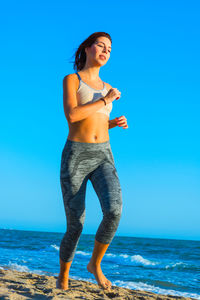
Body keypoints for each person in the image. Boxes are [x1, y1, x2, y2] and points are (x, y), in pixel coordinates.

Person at [56, 32, 128, 291]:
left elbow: (96, 121)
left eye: (110, 48)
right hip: (76, 155)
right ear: (87, 48)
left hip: (103, 154)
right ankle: (64, 274)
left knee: (114, 211)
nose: (105, 50)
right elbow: (74, 116)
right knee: (76, 223)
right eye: (101, 45)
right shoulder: (72, 80)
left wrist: (113, 122)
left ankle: (94, 264)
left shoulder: (109, 87)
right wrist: (105, 101)